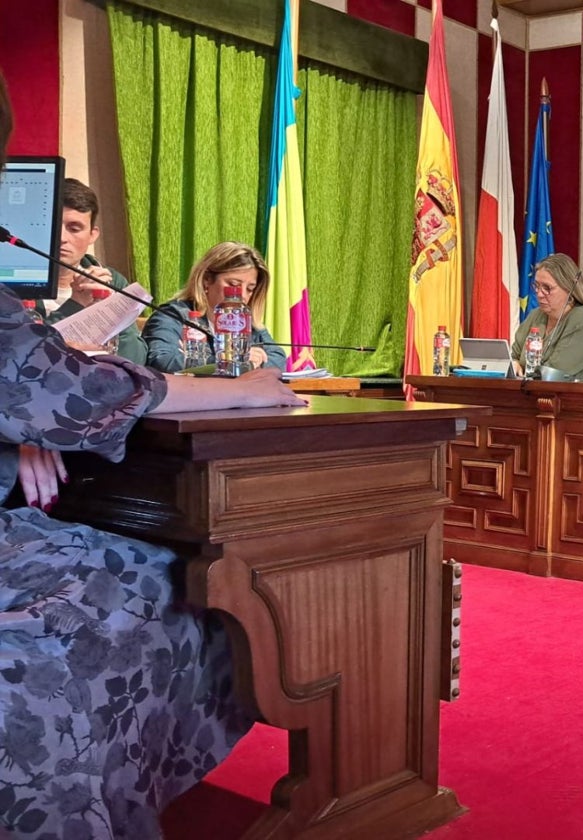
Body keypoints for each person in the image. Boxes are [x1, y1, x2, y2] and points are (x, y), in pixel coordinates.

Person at [0, 71, 306, 838]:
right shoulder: (170, 313)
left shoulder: (215, 316)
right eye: (227, 281)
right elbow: (67, 377)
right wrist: (246, 392)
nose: (238, 290)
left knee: (162, 571)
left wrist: (23, 423)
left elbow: (41, 381)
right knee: (178, 591)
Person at [37, 177, 148, 363]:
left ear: (92, 235)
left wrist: (112, 309)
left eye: (74, 228)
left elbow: (135, 360)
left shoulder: (112, 280)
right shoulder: (16, 282)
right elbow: (28, 354)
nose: (61, 237)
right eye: (53, 226)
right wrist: (76, 304)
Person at [142, 241, 288, 373]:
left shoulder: (245, 320)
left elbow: (277, 358)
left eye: (250, 289)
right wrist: (230, 363)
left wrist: (247, 364)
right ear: (206, 280)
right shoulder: (172, 316)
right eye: (233, 285)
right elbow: (162, 361)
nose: (242, 295)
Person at [511, 253, 583, 379]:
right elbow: (514, 354)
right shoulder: (536, 315)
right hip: (539, 394)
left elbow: (554, 372)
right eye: (536, 286)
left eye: (547, 288)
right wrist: (513, 364)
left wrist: (523, 369)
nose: (539, 294)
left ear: (568, 288)